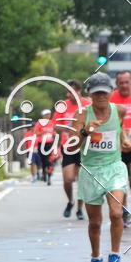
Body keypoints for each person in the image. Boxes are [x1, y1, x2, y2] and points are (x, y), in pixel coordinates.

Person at [69, 72, 131, 262]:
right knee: (95, 222)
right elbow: (72, 145)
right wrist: (86, 131)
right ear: (91, 95)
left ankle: (114, 256)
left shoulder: (119, 111)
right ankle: (96, 259)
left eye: (105, 92)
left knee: (116, 213)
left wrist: (124, 140)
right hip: (90, 171)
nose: (101, 97)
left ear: (110, 92)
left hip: (113, 168)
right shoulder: (82, 114)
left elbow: (120, 131)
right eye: (97, 93)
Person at [53, 80, 90, 219]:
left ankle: (80, 209)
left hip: (85, 147)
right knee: (68, 179)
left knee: (82, 180)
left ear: (79, 91)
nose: (70, 94)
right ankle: (70, 201)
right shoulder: (62, 105)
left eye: (73, 91)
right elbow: (55, 125)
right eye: (68, 91)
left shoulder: (87, 104)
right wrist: (68, 128)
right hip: (68, 146)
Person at [110, 70, 131, 228]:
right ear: (117, 84)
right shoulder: (110, 98)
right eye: (121, 82)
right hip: (116, 145)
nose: (124, 85)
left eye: (127, 82)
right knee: (121, 181)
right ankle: (124, 211)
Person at [33, 109, 56, 184]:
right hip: (41, 143)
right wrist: (42, 132)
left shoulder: (52, 123)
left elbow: (54, 132)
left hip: (50, 143)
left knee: (49, 160)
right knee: (43, 160)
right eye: (46, 115)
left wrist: (54, 134)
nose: (48, 116)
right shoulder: (39, 123)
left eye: (49, 114)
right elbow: (35, 133)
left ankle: (49, 176)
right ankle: (44, 173)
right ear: (43, 116)